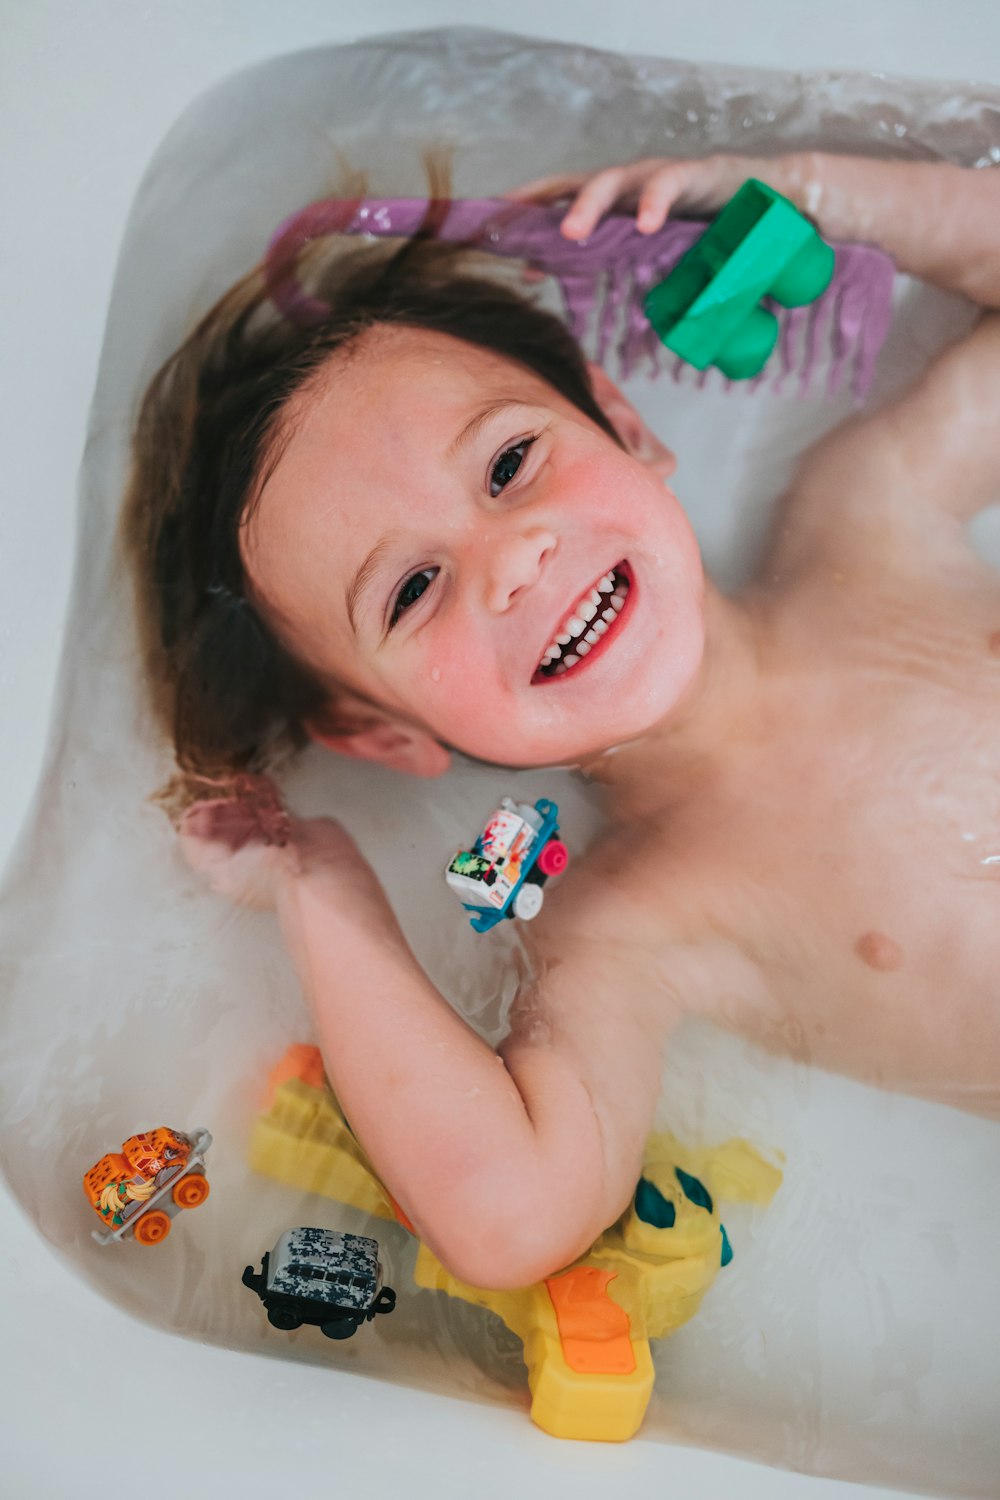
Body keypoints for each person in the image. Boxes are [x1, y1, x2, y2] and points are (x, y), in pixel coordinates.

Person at [124, 150, 1000, 1290]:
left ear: (625, 428)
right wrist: (322, 890)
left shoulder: (865, 517)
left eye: (509, 463)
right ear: (386, 734)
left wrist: (783, 195)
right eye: (410, 590)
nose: (513, 560)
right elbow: (512, 1219)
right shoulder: (626, 926)